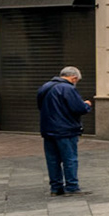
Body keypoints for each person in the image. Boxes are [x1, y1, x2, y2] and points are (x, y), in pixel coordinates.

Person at [37, 65, 92, 195]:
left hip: (48, 129)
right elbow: (78, 108)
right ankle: (72, 186)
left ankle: (56, 188)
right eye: (77, 80)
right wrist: (87, 105)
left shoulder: (44, 87)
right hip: (65, 130)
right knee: (69, 159)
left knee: (52, 160)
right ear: (74, 78)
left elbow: (41, 106)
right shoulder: (68, 88)